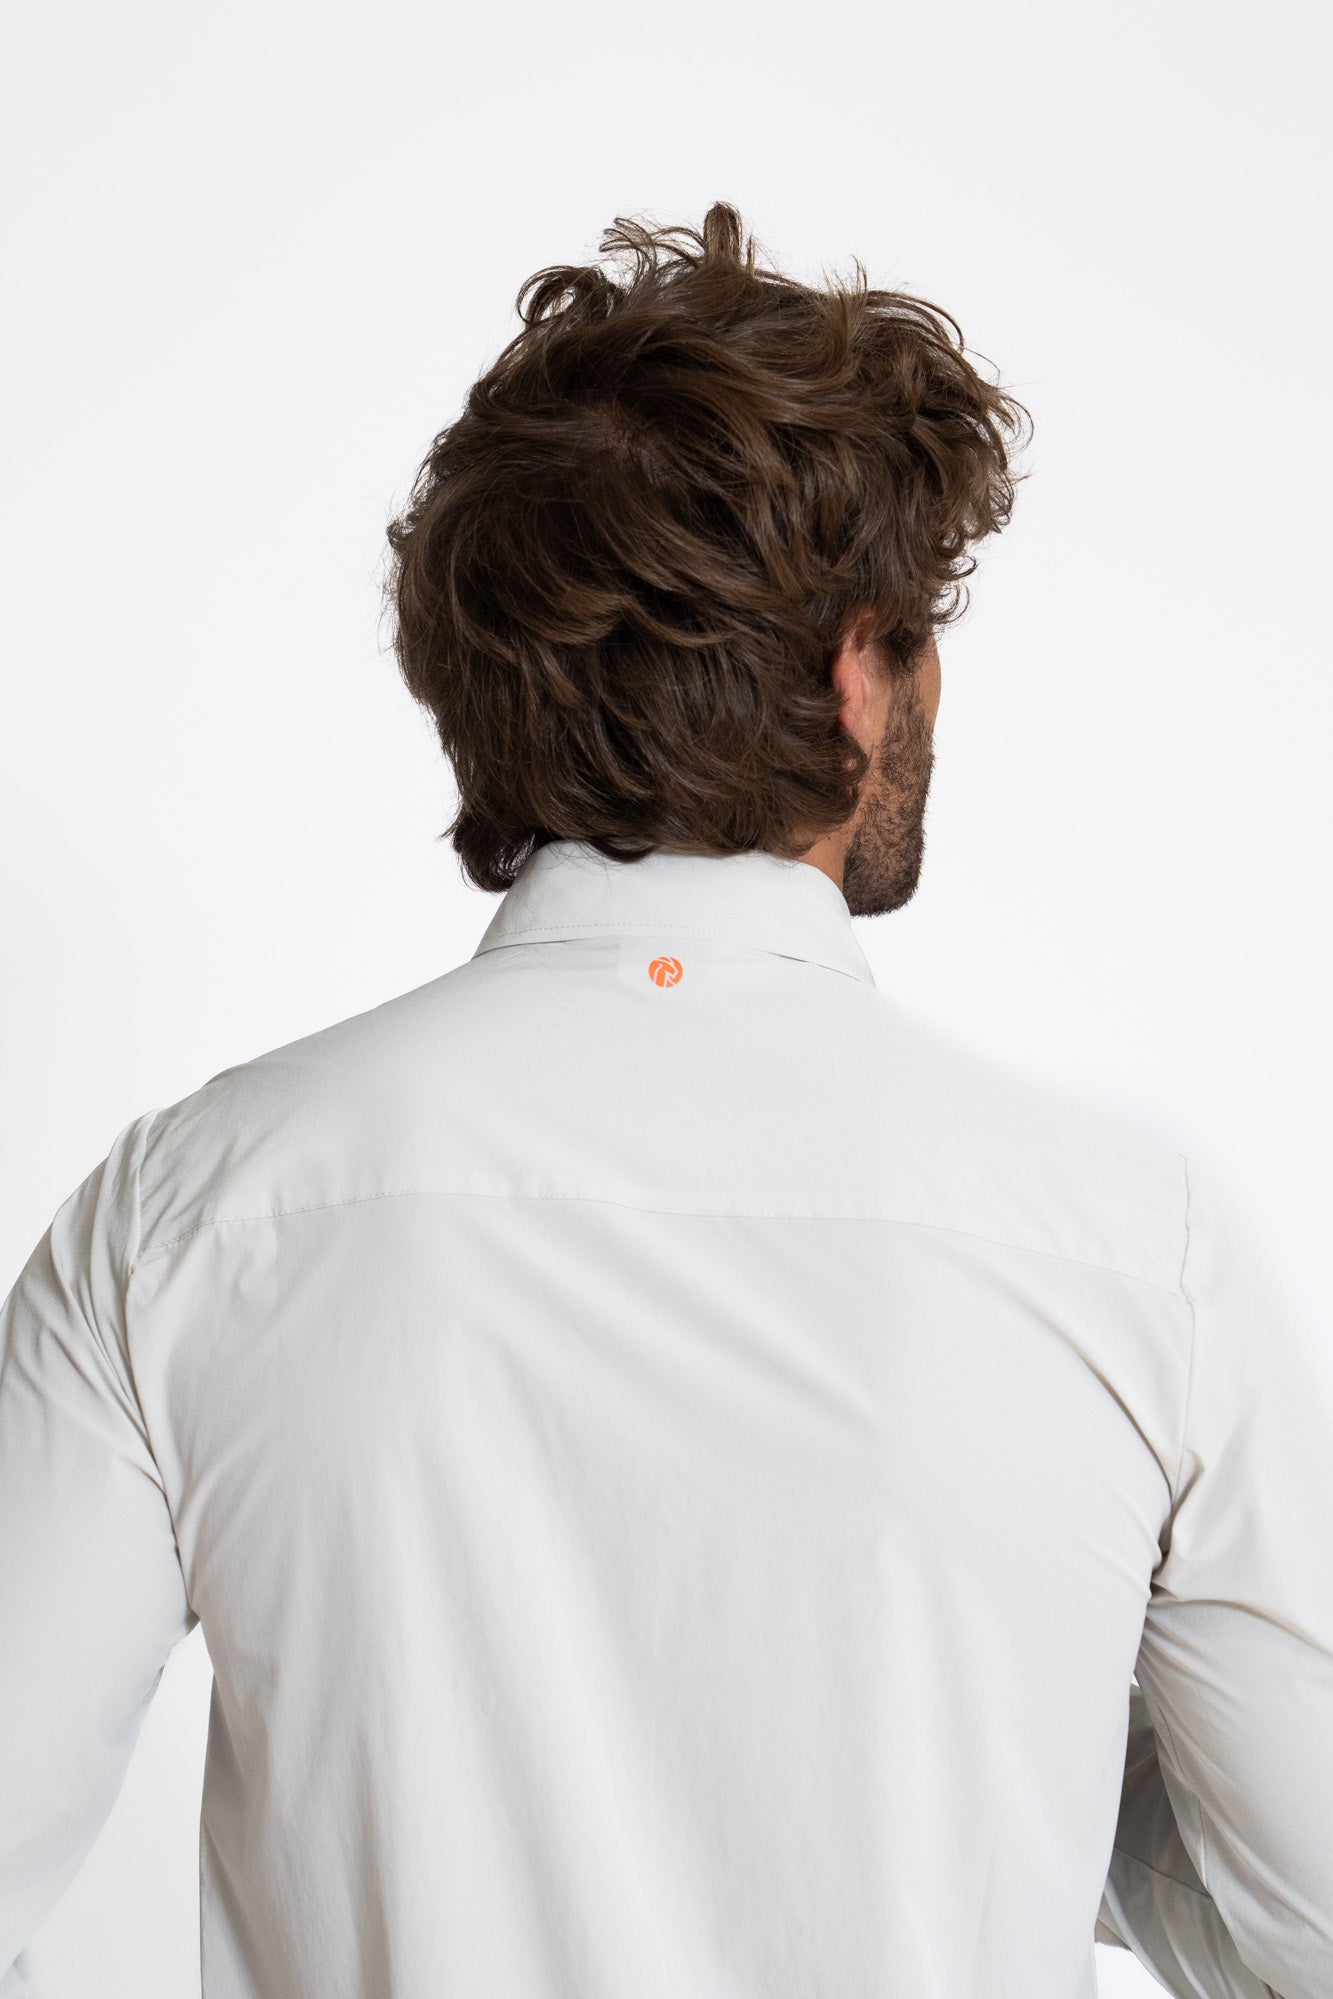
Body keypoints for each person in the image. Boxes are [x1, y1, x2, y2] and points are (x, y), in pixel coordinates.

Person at [1, 202, 1330, 1999]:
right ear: (858, 674)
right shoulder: (1127, 1248)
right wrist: (1012, 1722)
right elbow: (1303, 1929)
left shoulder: (185, 1220)